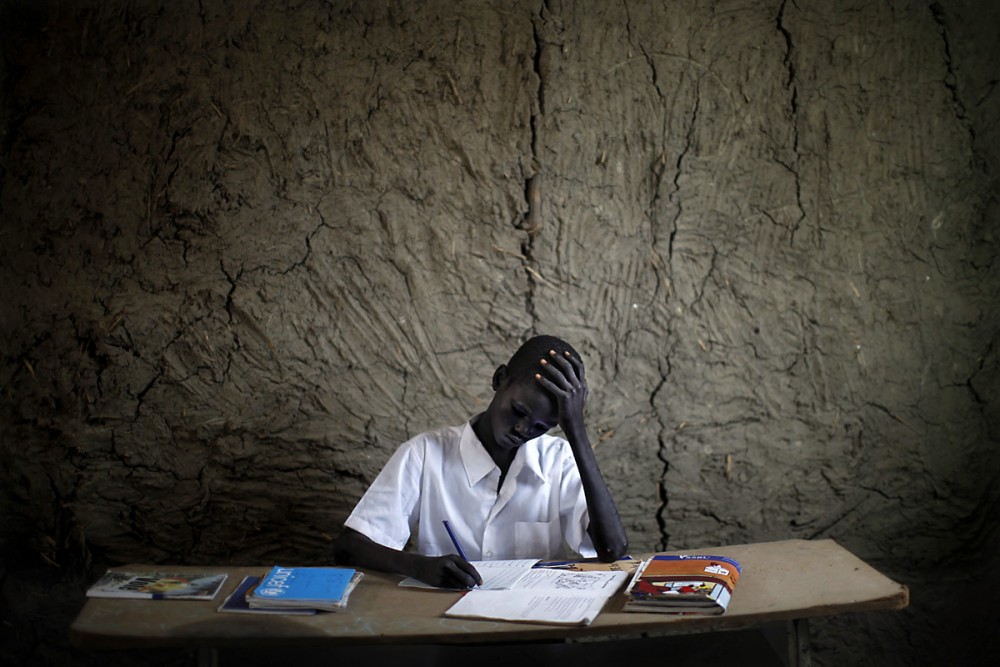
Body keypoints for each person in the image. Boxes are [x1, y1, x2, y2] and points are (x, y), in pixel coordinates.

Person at [332, 335, 628, 588]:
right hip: (446, 628)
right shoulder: (424, 454)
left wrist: (575, 430)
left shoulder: (558, 459)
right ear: (499, 380)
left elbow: (612, 549)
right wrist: (419, 567)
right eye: (518, 410)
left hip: (534, 630)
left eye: (541, 427)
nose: (523, 430)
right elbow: (349, 547)